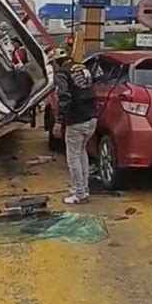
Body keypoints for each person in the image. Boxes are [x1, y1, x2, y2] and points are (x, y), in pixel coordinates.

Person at [53, 57, 97, 205]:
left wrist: (59, 121)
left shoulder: (62, 73)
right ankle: (83, 189)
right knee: (82, 152)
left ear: (57, 62)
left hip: (77, 119)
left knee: (73, 158)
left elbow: (64, 97)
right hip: (92, 117)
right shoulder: (83, 68)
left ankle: (79, 193)